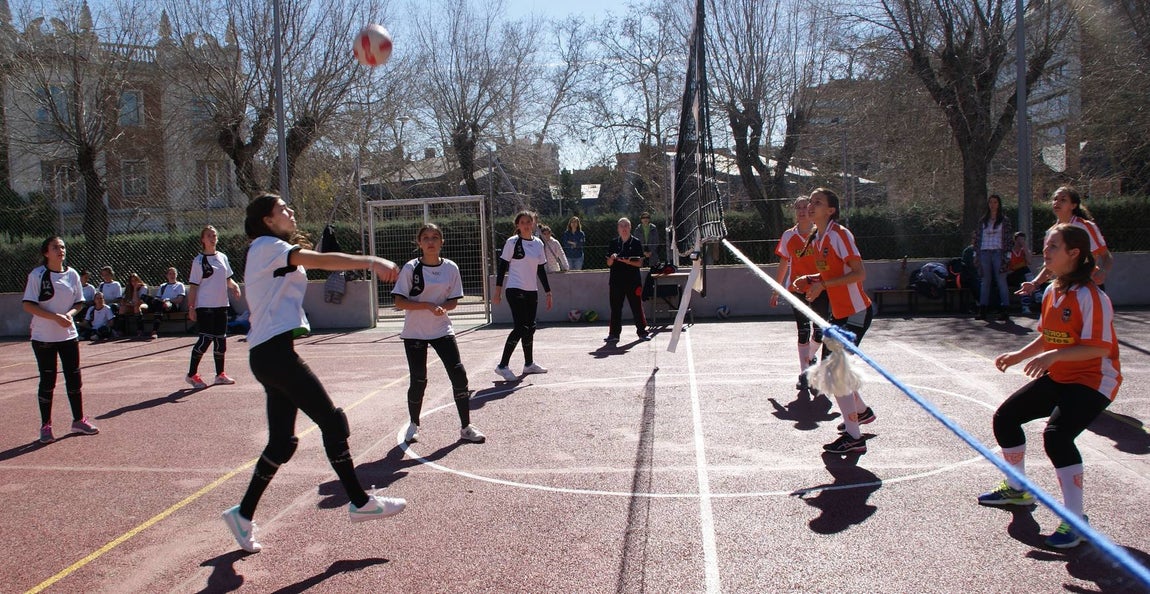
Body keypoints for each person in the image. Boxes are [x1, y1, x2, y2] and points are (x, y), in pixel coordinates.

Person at [222, 193, 407, 554]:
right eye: (282, 209)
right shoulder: (266, 246)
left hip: (270, 353)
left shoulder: (271, 248)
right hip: (274, 355)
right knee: (333, 423)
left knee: (282, 443)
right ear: (266, 220)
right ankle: (359, 501)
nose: (291, 211)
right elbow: (321, 261)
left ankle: (242, 515)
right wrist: (370, 261)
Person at [978, 224, 1121, 549]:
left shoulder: (1092, 296)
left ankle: (1075, 520)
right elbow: (1048, 336)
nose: (1046, 251)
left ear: (1075, 253)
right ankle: (1018, 489)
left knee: (1057, 436)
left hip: (1094, 379)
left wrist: (1053, 357)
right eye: (1046, 244)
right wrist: (1018, 355)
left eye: (1053, 246)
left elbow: (1098, 348)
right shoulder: (1054, 291)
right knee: (1006, 418)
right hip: (1062, 374)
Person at [792, 188, 876, 455]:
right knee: (836, 371)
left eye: (817, 203)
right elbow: (832, 271)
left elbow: (858, 273)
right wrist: (813, 279)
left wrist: (821, 284)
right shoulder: (819, 238)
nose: (810, 206)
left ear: (830, 210)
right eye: (810, 202)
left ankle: (854, 438)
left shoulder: (840, 235)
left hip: (855, 313)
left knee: (833, 373)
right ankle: (860, 412)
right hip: (840, 314)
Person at [392, 224, 485, 444]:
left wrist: (444, 307)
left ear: (442, 242)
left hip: (442, 329)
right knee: (419, 380)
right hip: (415, 332)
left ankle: (466, 426)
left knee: (458, 374)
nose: (430, 241)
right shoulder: (410, 268)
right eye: (425, 238)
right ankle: (413, 424)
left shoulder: (450, 268)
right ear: (419, 243)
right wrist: (426, 305)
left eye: (435, 237)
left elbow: (453, 300)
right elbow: (399, 301)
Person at [22, 236, 99, 444]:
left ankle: (78, 420)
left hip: (68, 335)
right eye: (55, 247)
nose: (60, 250)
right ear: (46, 252)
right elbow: (28, 305)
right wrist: (54, 317)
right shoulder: (38, 275)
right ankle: (46, 425)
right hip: (43, 336)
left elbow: (79, 303)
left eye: (63, 247)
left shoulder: (72, 274)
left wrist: (70, 315)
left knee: (74, 378)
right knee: (48, 380)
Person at [771, 196, 830, 391]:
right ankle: (805, 372)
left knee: (820, 331)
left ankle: (811, 357)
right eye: (798, 208)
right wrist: (776, 289)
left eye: (806, 207)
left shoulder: (821, 234)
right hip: (796, 289)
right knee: (803, 330)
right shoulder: (789, 236)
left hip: (819, 288)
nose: (802, 211)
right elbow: (783, 264)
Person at [1020, 186, 1113, 296]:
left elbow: (1106, 256)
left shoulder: (1086, 226)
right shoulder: (1051, 232)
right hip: (1064, 287)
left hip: (1087, 286)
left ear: (1073, 205)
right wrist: (1034, 283)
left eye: (1063, 200)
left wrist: (1103, 271)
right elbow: (1050, 267)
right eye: (1055, 199)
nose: (1057, 202)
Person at [493, 211, 552, 380]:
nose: (526, 224)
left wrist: (548, 292)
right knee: (520, 327)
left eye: (529, 221)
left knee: (530, 327)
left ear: (533, 224)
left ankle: (529, 364)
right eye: (523, 222)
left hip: (531, 291)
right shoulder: (512, 242)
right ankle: (502, 365)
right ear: (517, 225)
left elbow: (540, 269)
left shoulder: (538, 244)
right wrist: (497, 292)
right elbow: (502, 267)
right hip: (514, 289)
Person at [187, 225, 242, 389]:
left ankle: (220, 375)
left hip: (221, 305)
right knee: (205, 339)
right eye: (209, 235)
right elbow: (194, 286)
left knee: (221, 341)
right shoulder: (198, 261)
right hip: (205, 306)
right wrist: (191, 307)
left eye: (214, 235)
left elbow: (227, 278)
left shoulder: (223, 257)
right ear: (203, 240)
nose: (213, 238)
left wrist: (234, 286)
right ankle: (191, 375)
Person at [605, 217, 649, 343]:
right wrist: (612, 258)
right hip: (616, 281)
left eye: (626, 226)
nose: (624, 228)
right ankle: (614, 334)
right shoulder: (613, 243)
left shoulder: (636, 242)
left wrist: (628, 261)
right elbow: (608, 263)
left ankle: (642, 332)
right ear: (618, 228)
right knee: (615, 308)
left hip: (632, 281)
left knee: (636, 307)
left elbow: (639, 263)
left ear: (630, 227)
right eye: (621, 226)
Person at [973, 194, 1014, 322]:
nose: (992, 205)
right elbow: (978, 238)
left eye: (995, 202)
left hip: (998, 252)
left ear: (999, 204)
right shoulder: (983, 220)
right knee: (985, 281)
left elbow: (1008, 238)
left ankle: (1005, 309)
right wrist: (976, 254)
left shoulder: (1004, 220)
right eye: (990, 202)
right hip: (984, 252)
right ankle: (983, 309)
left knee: (1001, 280)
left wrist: (1008, 255)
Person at [149, 267, 187, 339]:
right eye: (170, 274)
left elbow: (180, 300)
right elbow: (158, 297)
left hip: (173, 306)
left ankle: (154, 331)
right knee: (148, 299)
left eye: (174, 273)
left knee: (160, 306)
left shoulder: (179, 285)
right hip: (161, 304)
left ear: (176, 275)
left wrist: (168, 300)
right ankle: (154, 331)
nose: (172, 275)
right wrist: (161, 300)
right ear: (167, 276)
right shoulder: (163, 286)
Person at [1006, 232, 1033, 314]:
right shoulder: (1009, 251)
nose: (1021, 242)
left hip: (1021, 277)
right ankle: (1037, 291)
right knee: (1024, 269)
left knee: (1023, 279)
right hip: (1011, 276)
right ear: (1015, 240)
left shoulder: (1024, 251)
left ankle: (1025, 307)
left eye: (1023, 240)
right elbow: (1007, 268)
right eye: (1019, 240)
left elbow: (1029, 261)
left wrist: (1024, 247)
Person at [122, 272, 150, 337]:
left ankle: (140, 330)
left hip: (143, 304)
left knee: (136, 307)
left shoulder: (143, 287)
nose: (134, 282)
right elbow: (123, 301)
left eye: (136, 280)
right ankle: (121, 331)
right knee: (122, 308)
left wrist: (135, 290)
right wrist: (128, 303)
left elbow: (139, 301)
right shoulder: (128, 288)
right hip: (132, 305)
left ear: (139, 280)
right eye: (132, 281)